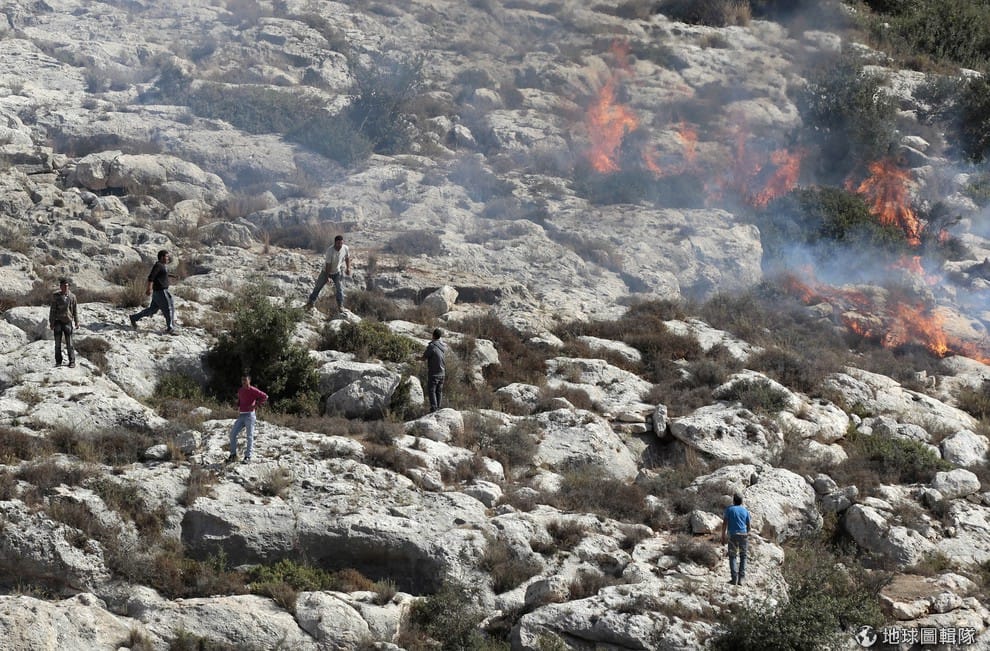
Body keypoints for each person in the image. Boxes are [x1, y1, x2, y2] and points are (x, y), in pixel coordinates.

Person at [130, 249, 176, 334]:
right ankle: (170, 328)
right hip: (161, 292)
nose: (168, 258)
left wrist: (170, 275)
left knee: (152, 310)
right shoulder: (158, 265)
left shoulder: (162, 266)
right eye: (167, 256)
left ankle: (134, 318)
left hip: (158, 292)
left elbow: (160, 274)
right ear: (162, 257)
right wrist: (149, 289)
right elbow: (151, 277)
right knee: (169, 308)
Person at [304, 234, 351, 314]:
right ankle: (310, 303)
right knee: (318, 287)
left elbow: (347, 257)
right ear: (335, 243)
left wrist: (348, 268)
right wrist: (327, 277)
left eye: (341, 243)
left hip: (337, 272)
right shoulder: (330, 251)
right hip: (326, 271)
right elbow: (328, 265)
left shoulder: (345, 248)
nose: (340, 245)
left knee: (340, 289)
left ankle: (340, 306)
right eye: (338, 243)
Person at [226, 374, 268, 463]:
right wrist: (237, 405)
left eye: (245, 380)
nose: (243, 382)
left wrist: (255, 406)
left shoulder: (253, 390)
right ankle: (233, 455)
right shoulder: (240, 390)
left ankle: (248, 457)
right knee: (232, 434)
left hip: (250, 416)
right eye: (242, 380)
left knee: (249, 436)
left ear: (249, 381)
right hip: (241, 415)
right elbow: (240, 400)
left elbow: (265, 396)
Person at [721, 493, 751, 585]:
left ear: (733, 500)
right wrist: (747, 533)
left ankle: (734, 579)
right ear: (741, 501)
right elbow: (749, 525)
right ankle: (741, 579)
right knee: (743, 556)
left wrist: (723, 536)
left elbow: (725, 523)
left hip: (732, 535)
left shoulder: (729, 509)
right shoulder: (745, 510)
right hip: (743, 535)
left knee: (732, 556)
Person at [49, 277, 79, 368]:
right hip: (58, 321)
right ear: (60, 287)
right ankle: (58, 361)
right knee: (57, 344)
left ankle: (72, 361)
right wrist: (51, 322)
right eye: (63, 286)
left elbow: (75, 310)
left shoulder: (72, 296)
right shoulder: (56, 296)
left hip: (68, 321)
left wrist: (77, 322)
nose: (65, 288)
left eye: (67, 286)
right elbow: (52, 310)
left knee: (70, 343)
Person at [423, 328, 448, 413]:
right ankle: (438, 408)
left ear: (433, 335)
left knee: (432, 391)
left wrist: (417, 358)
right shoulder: (442, 346)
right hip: (442, 373)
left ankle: (434, 409)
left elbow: (424, 357)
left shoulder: (432, 346)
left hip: (434, 373)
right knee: (439, 391)